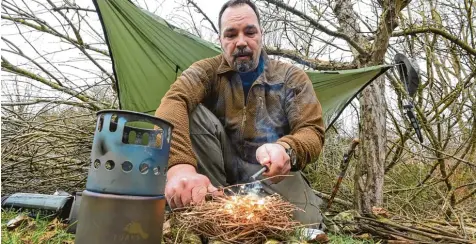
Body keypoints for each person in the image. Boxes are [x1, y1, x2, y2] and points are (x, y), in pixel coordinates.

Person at [155, 0, 325, 228]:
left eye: (249, 32)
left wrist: (287, 149)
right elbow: (173, 101)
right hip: (217, 172)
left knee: (306, 225)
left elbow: (312, 131)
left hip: (268, 174)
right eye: (231, 35)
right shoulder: (206, 71)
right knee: (189, 110)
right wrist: (179, 168)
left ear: (261, 34)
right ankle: (208, 206)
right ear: (221, 41)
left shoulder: (291, 78)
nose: (241, 42)